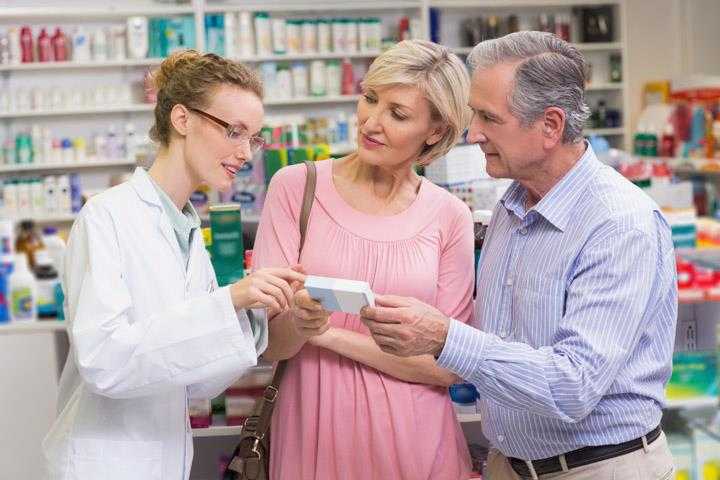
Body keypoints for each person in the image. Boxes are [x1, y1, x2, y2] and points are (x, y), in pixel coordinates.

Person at [361, 31, 678, 480]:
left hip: (599, 469)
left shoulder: (619, 223)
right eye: (474, 114)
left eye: (489, 118)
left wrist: (444, 337)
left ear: (550, 126)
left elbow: (574, 385)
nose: (473, 134)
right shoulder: (513, 205)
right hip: (509, 465)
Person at [42, 51, 305, 480]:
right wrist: (228, 301)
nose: (245, 153)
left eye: (253, 139)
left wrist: (257, 315)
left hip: (163, 457)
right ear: (182, 119)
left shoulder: (186, 228)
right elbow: (103, 362)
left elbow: (196, 383)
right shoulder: (107, 216)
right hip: (102, 462)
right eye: (234, 132)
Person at [252, 40, 474, 479]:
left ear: (434, 130)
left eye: (398, 114)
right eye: (370, 98)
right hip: (313, 428)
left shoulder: (450, 216)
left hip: (417, 440)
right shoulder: (297, 188)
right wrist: (296, 325)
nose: (371, 122)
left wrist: (324, 335)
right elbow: (268, 344)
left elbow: (447, 366)